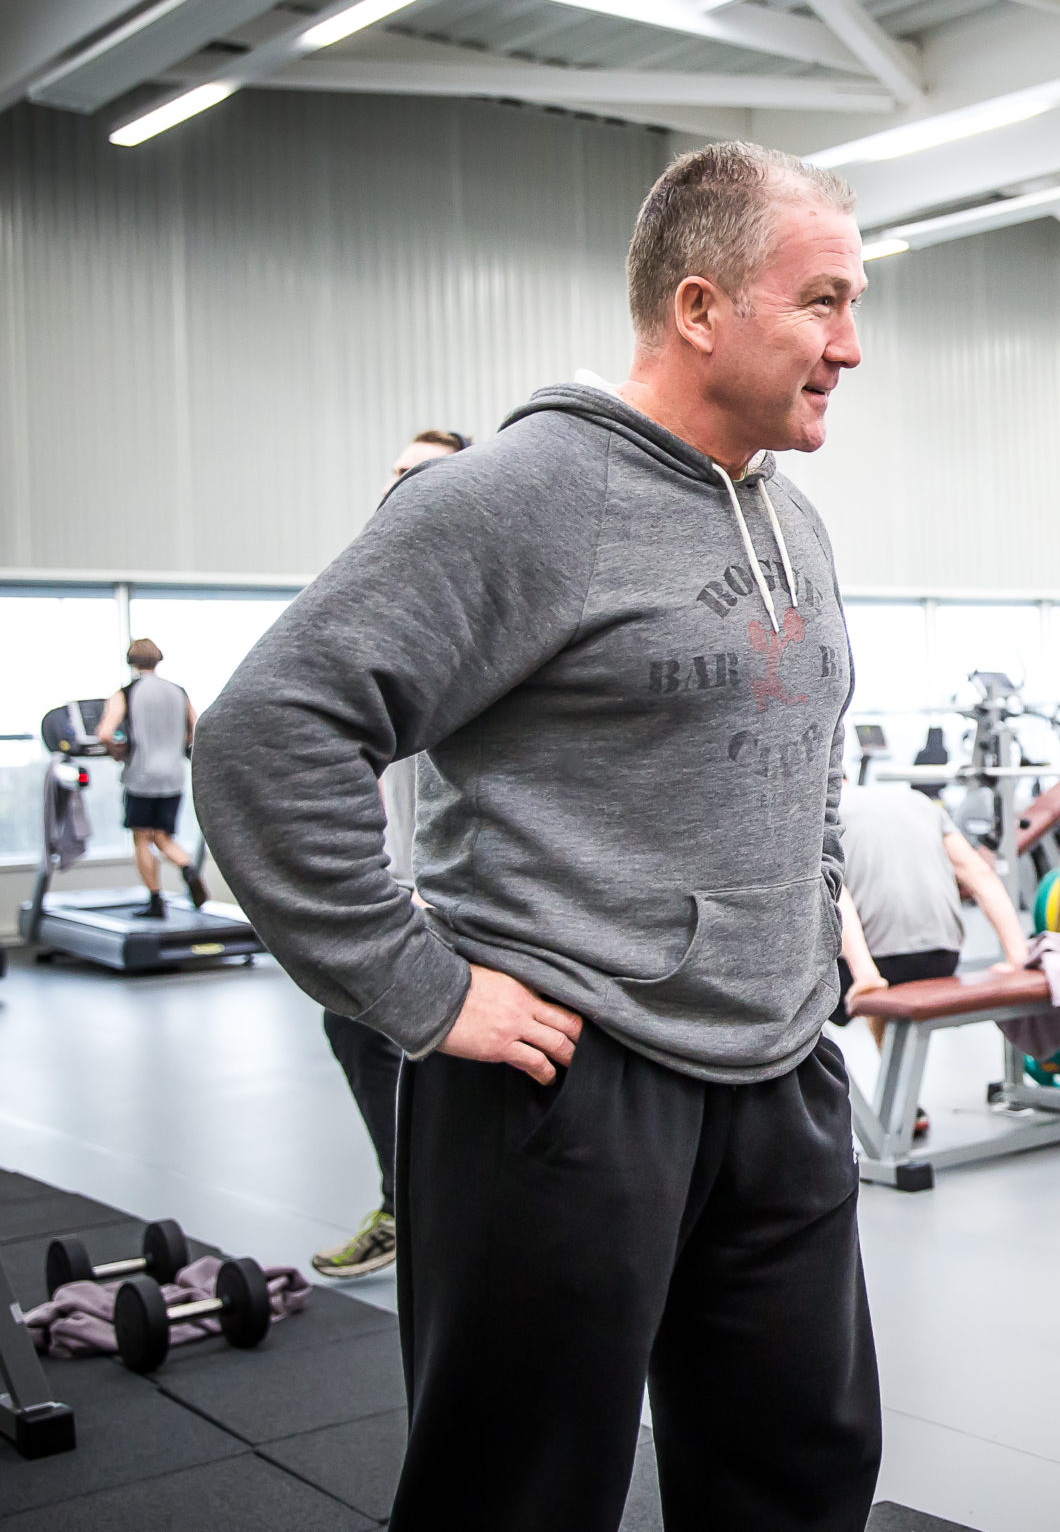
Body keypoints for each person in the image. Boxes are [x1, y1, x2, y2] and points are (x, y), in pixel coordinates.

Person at [196, 141, 881, 1531]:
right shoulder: (517, 497)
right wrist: (420, 985)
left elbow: (806, 749)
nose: (851, 346)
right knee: (514, 1495)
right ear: (700, 309)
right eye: (821, 302)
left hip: (778, 1070)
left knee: (800, 1477)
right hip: (565, 1080)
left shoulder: (790, 518)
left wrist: (813, 929)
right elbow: (269, 733)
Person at [312, 427, 473, 1283]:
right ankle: (404, 1200)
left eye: (424, 473)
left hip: (482, 904)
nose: (402, 486)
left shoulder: (484, 600)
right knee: (356, 1023)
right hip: (410, 888)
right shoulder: (386, 609)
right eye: (397, 472)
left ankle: (435, 1215)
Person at [834, 781, 1033, 1138]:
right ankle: (900, 1109)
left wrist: (865, 974)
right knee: (891, 991)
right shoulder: (918, 801)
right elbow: (978, 874)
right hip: (942, 957)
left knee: (791, 1002)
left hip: (873, 961)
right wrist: (1018, 956)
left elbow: (836, 894)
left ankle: (823, 1122)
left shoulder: (821, 808)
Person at [91, 638, 206, 920]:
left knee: (142, 837)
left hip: (142, 775)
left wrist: (117, 751)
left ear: (131, 661)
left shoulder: (126, 694)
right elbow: (196, 726)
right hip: (174, 775)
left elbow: (105, 733)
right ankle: (187, 867)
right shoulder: (178, 692)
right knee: (163, 836)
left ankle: (155, 899)